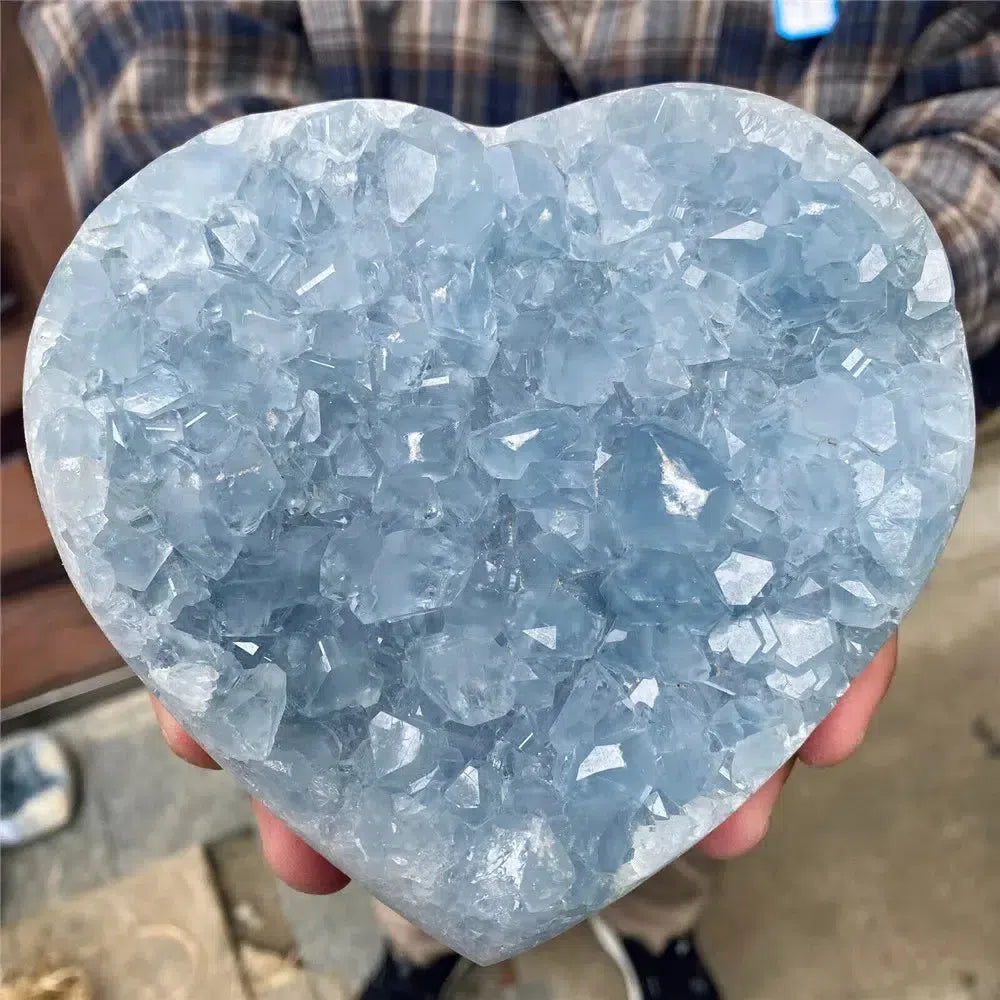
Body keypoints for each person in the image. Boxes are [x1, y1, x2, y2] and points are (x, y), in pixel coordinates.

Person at [21, 2, 997, 997]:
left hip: (694, 525)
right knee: (389, 814)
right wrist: (259, 261)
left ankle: (655, 932)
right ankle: (423, 943)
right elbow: (143, 42)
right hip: (374, 541)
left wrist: (841, 333)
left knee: (675, 805)